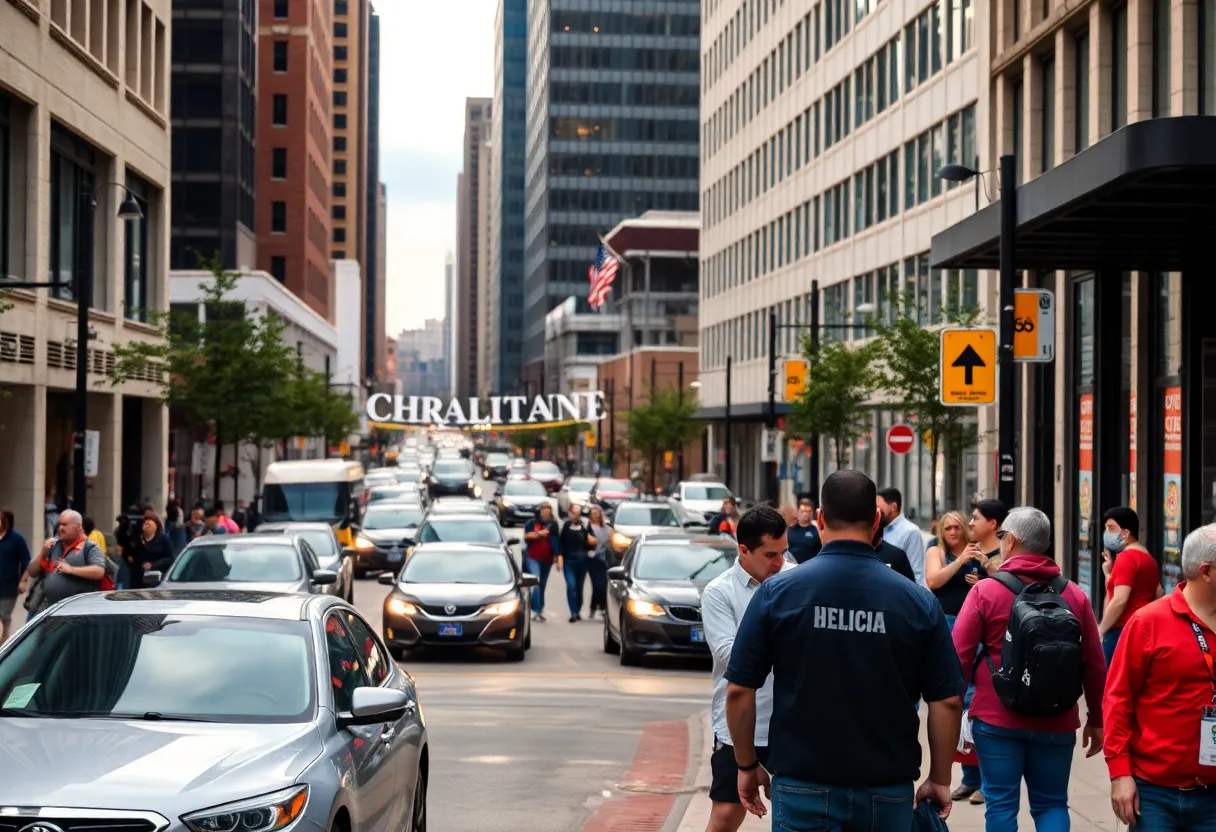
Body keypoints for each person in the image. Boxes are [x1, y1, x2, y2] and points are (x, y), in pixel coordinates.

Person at [725, 470, 963, 829]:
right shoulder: (917, 602)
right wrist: (940, 777)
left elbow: (740, 690)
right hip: (885, 787)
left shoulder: (778, 594)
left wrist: (746, 765)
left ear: (820, 518)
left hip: (802, 782)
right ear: (876, 520)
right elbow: (947, 701)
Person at [952, 507, 1107, 832]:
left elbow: (958, 658)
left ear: (1013, 541)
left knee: (1001, 805)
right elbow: (1094, 663)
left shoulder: (985, 591)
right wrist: (1096, 720)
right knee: (1052, 804)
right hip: (1057, 718)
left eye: (1003, 535)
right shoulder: (1074, 595)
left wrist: (952, 717)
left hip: (996, 719)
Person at [1104, 523, 1216, 829]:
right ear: (1206, 572)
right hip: (1154, 794)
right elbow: (1117, 699)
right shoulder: (1148, 622)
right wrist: (1120, 773)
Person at [700, 506, 794, 832]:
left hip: (790, 723)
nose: (779, 562)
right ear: (743, 550)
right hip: (738, 727)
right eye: (770, 555)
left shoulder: (796, 580)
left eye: (784, 552)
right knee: (726, 816)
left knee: (799, 818)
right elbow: (728, 655)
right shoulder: (719, 592)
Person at [926, 510, 985, 804]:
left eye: (956, 527)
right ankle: (968, 778)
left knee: (976, 699)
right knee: (955, 697)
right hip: (948, 624)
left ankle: (982, 779)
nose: (952, 532)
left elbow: (998, 581)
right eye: (947, 528)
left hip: (977, 625)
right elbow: (933, 581)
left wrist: (983, 576)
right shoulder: (936, 551)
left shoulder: (979, 551)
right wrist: (959, 563)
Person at [1098, 506, 1164, 666]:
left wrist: (1101, 630)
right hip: (1142, 631)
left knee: (1108, 685)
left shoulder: (1126, 558)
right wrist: (1109, 574)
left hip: (1120, 632)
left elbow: (1119, 600)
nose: (1106, 533)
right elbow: (1159, 593)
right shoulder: (1147, 557)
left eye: (1111, 528)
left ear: (1126, 533)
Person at [20, 510, 107, 614]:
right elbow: (32, 571)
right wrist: (42, 552)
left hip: (78, 611)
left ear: (79, 526)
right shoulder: (53, 545)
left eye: (65, 525)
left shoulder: (90, 547)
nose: (60, 528)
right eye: (60, 524)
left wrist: (72, 570)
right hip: (49, 609)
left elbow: (99, 572)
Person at [877, 487, 928, 586]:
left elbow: (917, 574)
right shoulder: (876, 528)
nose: (876, 511)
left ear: (893, 507)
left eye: (879, 507)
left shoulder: (910, 531)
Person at [523, 504, 561, 622]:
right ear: (539, 512)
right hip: (533, 557)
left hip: (547, 559)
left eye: (548, 512)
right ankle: (535, 609)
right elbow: (526, 536)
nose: (545, 514)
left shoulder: (553, 525)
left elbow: (556, 542)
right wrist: (539, 534)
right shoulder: (532, 523)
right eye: (543, 511)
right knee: (536, 582)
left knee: (542, 584)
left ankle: (540, 609)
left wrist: (558, 557)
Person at [559, 504, 597, 622]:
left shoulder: (585, 525)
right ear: (570, 513)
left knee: (579, 587)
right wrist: (559, 558)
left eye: (577, 512)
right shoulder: (566, 525)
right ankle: (573, 612)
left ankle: (578, 609)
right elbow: (561, 543)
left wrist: (585, 531)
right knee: (571, 586)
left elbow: (593, 542)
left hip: (582, 560)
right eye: (573, 512)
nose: (575, 515)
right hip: (569, 561)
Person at [0, 510, 31, 642]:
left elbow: (27, 562)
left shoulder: (16, 539)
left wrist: (23, 581)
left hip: (8, 585)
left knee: (4, 615)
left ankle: (5, 642)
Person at [131, 514, 174, 590]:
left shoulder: (163, 539)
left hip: (157, 576)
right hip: (138, 576)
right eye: (145, 524)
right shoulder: (138, 539)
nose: (146, 526)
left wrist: (153, 565)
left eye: (149, 524)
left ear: (156, 526)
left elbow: (170, 558)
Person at [968, 499, 1008, 576]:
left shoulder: (1007, 555)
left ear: (992, 524)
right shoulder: (969, 548)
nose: (970, 523)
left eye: (975, 518)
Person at [587, 506, 611, 617]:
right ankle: (595, 607)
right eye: (593, 513)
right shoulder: (587, 527)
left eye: (597, 513)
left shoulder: (607, 529)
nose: (595, 515)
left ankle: (600, 607)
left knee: (602, 585)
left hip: (603, 560)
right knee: (596, 585)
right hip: (592, 560)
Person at [785, 498, 820, 564]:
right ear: (797, 511)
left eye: (807, 511)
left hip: (811, 568)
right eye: (803, 511)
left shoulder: (817, 531)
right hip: (792, 568)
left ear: (812, 512)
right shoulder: (789, 531)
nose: (805, 514)